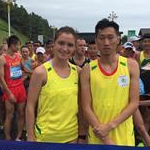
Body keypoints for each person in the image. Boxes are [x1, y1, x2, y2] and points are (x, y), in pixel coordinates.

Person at [80, 18, 139, 146]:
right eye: (101, 38)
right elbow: (86, 107)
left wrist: (109, 126)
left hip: (124, 135)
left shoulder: (131, 65)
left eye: (110, 37)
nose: (106, 42)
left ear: (118, 39)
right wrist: (103, 135)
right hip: (97, 135)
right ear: (96, 40)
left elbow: (134, 103)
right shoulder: (87, 70)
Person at [26, 26, 84, 143]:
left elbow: (81, 106)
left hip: (71, 137)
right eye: (61, 43)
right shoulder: (41, 72)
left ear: (74, 48)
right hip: (45, 138)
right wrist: (30, 136)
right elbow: (30, 106)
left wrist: (82, 135)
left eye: (70, 45)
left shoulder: (78, 72)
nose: (65, 48)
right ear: (54, 44)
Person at [0, 35, 27, 140]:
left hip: (20, 87)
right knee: (9, 115)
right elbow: (1, 78)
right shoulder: (2, 59)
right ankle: (7, 137)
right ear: (12, 45)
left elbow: (23, 68)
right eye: (18, 45)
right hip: (10, 89)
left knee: (21, 113)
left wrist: (32, 71)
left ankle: (19, 136)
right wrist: (8, 93)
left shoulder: (18, 56)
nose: (19, 47)